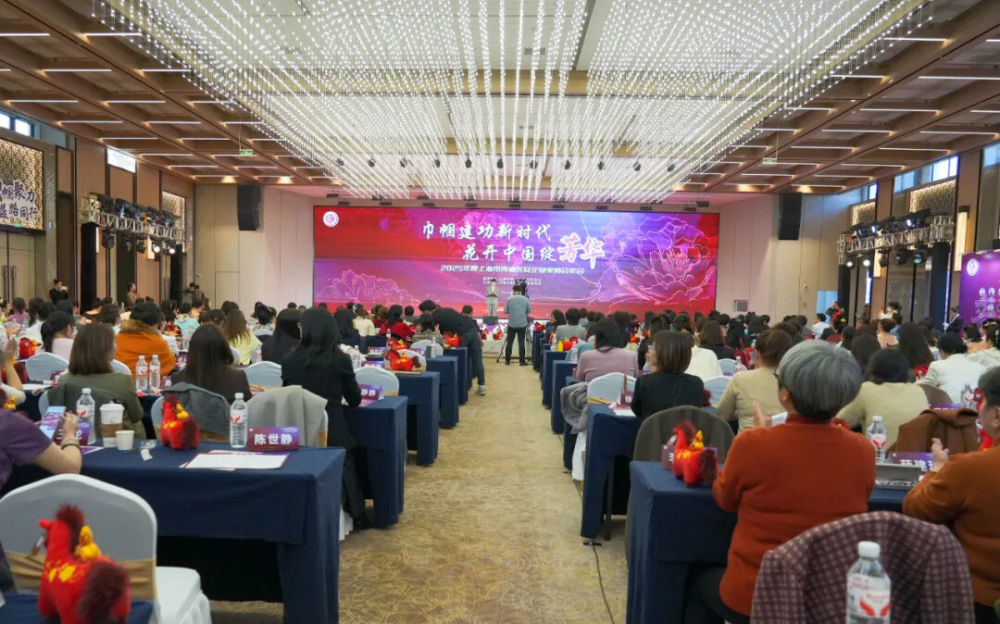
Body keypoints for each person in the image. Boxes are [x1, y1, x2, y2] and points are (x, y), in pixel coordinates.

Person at [687, 342, 873, 623]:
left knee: (695, 581)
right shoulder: (863, 450)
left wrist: (752, 441)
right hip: (828, 599)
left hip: (755, 595)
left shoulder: (753, 443)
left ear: (785, 394)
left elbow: (726, 500)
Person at [903, 367, 1000, 624]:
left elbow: (915, 509)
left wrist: (937, 469)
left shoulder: (970, 468)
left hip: (975, 603)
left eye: (983, 401)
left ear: (996, 415)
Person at [280, 307, 368, 527]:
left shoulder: (289, 360)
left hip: (298, 431)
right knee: (350, 456)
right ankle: (355, 511)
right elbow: (355, 400)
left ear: (305, 330)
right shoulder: (340, 360)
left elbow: (287, 394)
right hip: (333, 432)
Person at [58, 324, 145, 437]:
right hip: (118, 440)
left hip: (77, 437)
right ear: (106, 349)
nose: (116, 346)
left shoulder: (64, 380)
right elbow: (136, 415)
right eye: (113, 342)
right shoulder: (122, 381)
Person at [837, 348, 928, 445]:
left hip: (880, 452)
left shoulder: (866, 389)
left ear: (873, 368)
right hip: (917, 453)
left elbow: (838, 422)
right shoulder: (918, 391)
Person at [716, 329, 793, 433]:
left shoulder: (740, 379)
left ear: (756, 354)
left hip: (748, 440)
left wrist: (742, 412)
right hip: (787, 441)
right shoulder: (796, 383)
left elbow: (722, 415)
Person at [631, 331, 705, 420]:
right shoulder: (696, 384)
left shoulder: (644, 382)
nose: (649, 350)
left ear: (662, 354)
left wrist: (652, 366)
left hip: (653, 429)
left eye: (652, 347)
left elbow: (638, 412)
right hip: (685, 429)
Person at [171, 325, 251, 402]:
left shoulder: (178, 379)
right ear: (224, 348)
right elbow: (246, 408)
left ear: (192, 350)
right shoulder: (238, 379)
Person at [428, 300, 487, 395]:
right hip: (473, 331)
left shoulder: (436, 317)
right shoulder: (450, 310)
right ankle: (482, 386)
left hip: (462, 334)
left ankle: (460, 388)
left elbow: (440, 334)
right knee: (478, 360)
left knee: (459, 358)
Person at [114, 301, 176, 378]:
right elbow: (170, 363)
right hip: (145, 383)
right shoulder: (158, 343)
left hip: (118, 381)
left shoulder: (117, 339)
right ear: (155, 324)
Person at [922, 332, 987, 404]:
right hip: (976, 409)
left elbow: (923, 389)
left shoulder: (937, 366)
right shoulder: (981, 368)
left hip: (949, 409)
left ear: (942, 350)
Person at [574, 319, 638, 382]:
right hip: (623, 389)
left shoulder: (586, 356)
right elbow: (635, 379)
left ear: (597, 337)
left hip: (594, 389)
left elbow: (580, 380)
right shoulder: (631, 355)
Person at [503, 284, 531, 366]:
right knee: (521, 343)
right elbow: (529, 311)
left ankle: (507, 361)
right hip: (522, 324)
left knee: (509, 343)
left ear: (513, 291)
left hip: (512, 324)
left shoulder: (509, 299)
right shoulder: (525, 299)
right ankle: (522, 361)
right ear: (521, 291)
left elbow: (505, 311)